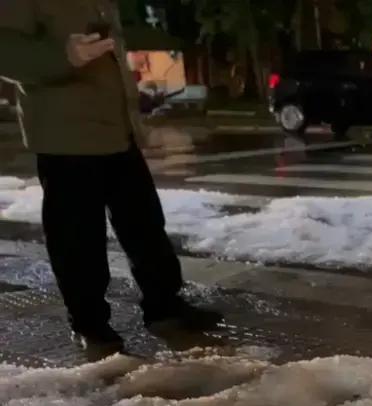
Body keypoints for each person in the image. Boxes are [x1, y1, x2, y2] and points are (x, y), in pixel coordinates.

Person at [0, 0, 221, 354]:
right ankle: (90, 324)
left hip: (118, 129)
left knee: (145, 224)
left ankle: (164, 306)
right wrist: (64, 55)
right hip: (66, 135)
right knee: (77, 237)